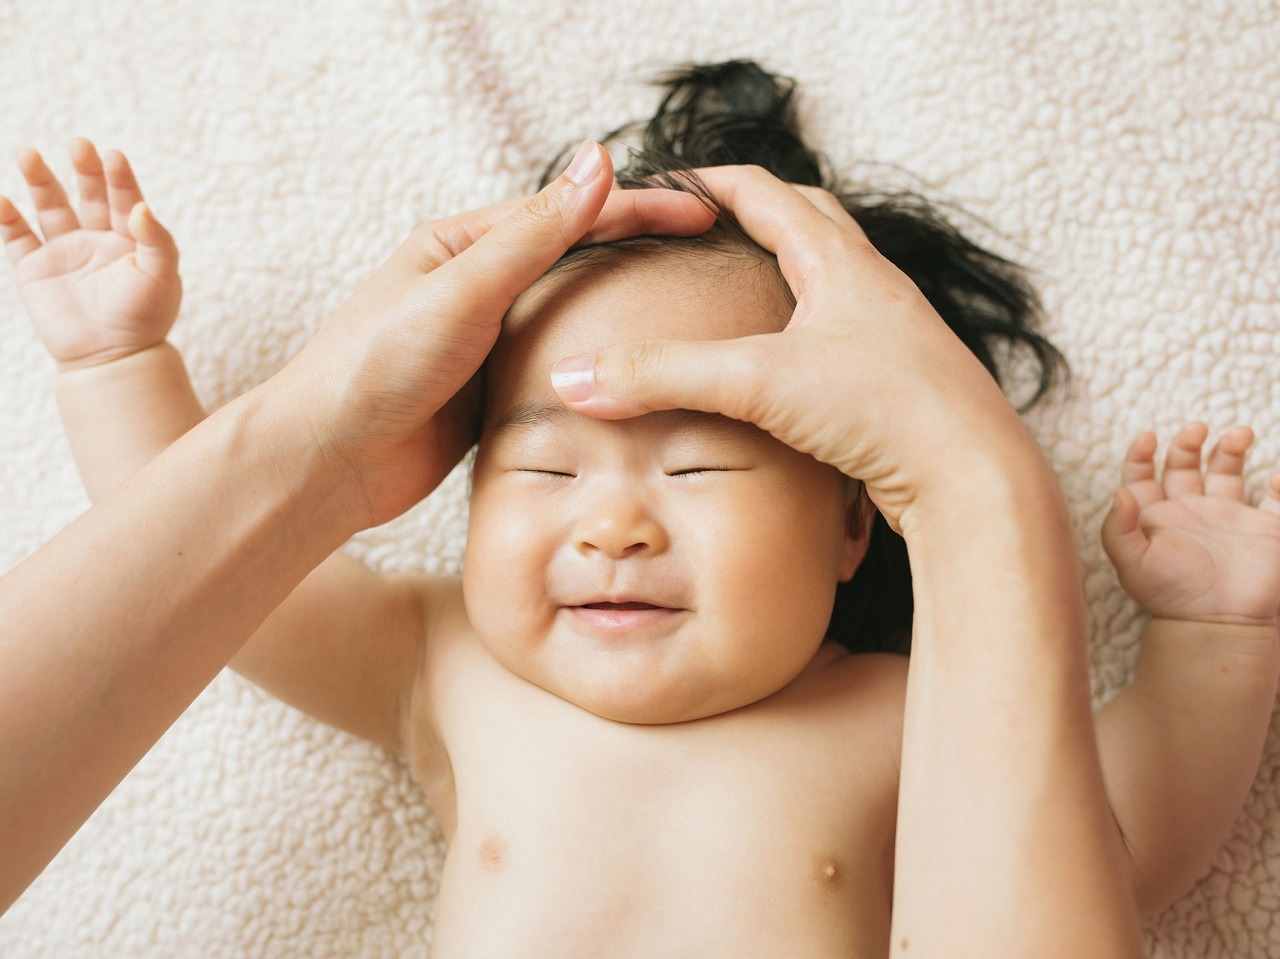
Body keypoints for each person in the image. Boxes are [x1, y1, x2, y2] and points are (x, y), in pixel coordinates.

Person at [6, 59, 1272, 956]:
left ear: (854, 518)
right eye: (544, 470)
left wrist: (1213, 635)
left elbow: (1124, 839)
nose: (610, 525)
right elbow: (220, 584)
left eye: (699, 469)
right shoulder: (441, 663)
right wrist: (118, 368)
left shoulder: (909, 709)